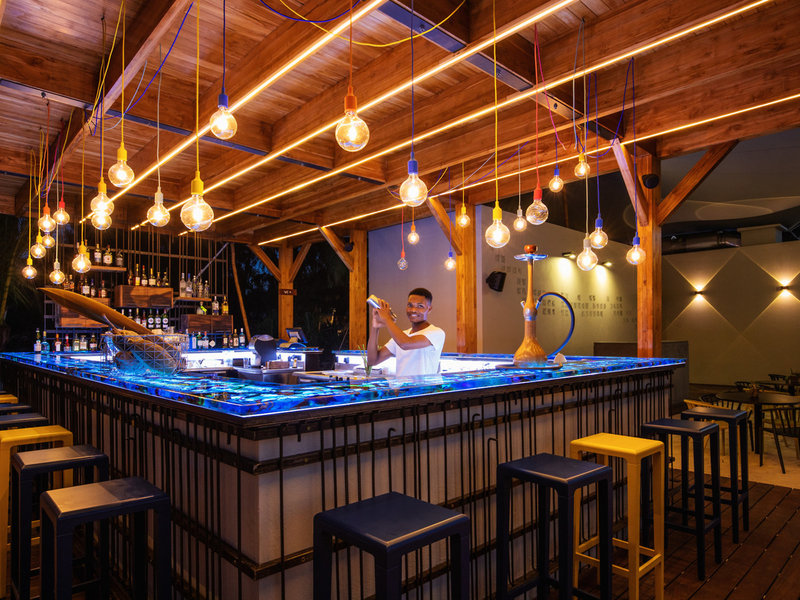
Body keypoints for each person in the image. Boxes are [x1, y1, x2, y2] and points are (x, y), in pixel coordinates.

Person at [367, 288, 445, 377]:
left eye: (420, 306)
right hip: (402, 386)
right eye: (410, 305)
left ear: (429, 309)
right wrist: (375, 327)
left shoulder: (436, 333)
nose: (413, 310)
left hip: (424, 386)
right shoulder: (401, 335)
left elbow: (405, 344)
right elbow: (372, 361)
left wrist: (387, 319)